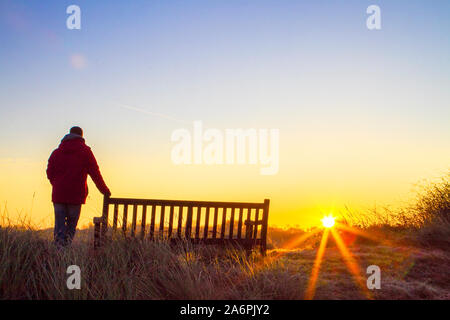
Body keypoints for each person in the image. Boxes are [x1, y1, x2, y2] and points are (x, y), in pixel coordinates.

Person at [46, 126, 111, 246]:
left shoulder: (56, 152)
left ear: (68, 135)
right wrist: (104, 190)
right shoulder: (85, 152)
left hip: (59, 195)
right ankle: (66, 251)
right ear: (81, 136)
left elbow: (49, 171)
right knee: (71, 226)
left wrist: (55, 184)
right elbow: (95, 173)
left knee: (59, 226)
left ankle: (59, 253)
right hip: (76, 196)